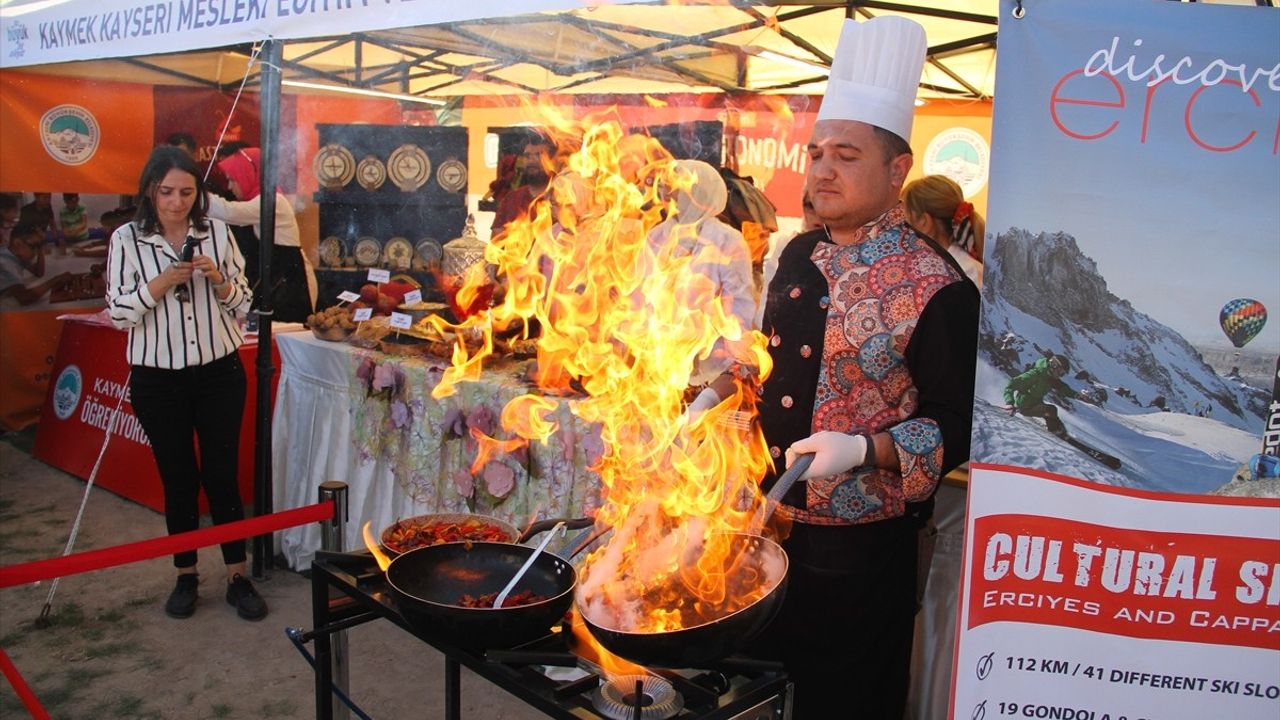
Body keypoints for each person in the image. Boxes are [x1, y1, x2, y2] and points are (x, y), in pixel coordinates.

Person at [691, 16, 979, 718]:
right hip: (764, 523)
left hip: (861, 556)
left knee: (844, 702)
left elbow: (959, 427)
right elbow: (770, 355)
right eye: (817, 152)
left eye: (846, 155)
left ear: (897, 170)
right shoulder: (796, 255)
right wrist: (727, 384)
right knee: (749, 689)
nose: (822, 169)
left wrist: (865, 448)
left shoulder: (938, 285)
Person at [105, 145, 266, 621]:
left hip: (219, 372)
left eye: (186, 192)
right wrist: (158, 284)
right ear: (150, 191)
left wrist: (218, 279)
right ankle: (186, 574)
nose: (176, 202)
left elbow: (242, 301)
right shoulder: (126, 239)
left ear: (199, 194)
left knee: (221, 474)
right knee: (178, 478)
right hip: (157, 378)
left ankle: (238, 575)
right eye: (167, 192)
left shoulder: (216, 232)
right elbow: (118, 313)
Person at [645, 159, 757, 388]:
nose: (669, 195)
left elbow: (739, 305)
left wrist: (728, 352)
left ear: (700, 193)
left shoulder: (727, 240)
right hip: (659, 364)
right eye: (669, 187)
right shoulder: (655, 238)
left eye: (678, 187)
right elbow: (640, 296)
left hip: (713, 365)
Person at [206, 146, 317, 323]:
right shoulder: (263, 199)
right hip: (278, 281)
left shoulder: (273, 201)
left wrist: (198, 197)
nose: (229, 186)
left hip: (291, 284)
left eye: (232, 180)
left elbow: (230, 213)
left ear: (247, 174)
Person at [902, 174, 984, 286]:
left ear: (924, 222)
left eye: (905, 223)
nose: (901, 232)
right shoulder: (957, 269)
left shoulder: (965, 274)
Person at [492, 133, 554, 237]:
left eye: (539, 155)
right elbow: (496, 243)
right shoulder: (511, 199)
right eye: (527, 156)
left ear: (552, 161)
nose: (531, 161)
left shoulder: (561, 198)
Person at [1003, 354, 1077, 437]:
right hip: (1024, 406)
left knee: (1053, 414)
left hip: (1036, 404)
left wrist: (1077, 395)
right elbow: (1011, 385)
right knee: (1050, 410)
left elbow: (1063, 388)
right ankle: (1056, 431)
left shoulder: (1050, 377)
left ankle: (1061, 431)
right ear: (1054, 365)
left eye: (1062, 373)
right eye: (1061, 372)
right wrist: (1009, 402)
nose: (1060, 375)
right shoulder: (1035, 374)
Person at [0, 222, 74, 305]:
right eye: (33, 246)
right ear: (18, 243)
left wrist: (40, 246)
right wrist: (55, 281)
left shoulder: (15, 253)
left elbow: (38, 272)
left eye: (39, 246)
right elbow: (24, 298)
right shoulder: (5, 263)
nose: (36, 252)